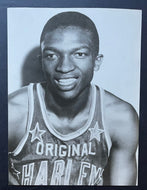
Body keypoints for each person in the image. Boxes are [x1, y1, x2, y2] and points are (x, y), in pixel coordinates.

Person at [8, 11, 138, 185]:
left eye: (79, 54)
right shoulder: (12, 113)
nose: (64, 66)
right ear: (41, 62)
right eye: (52, 55)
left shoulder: (120, 118)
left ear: (96, 61)